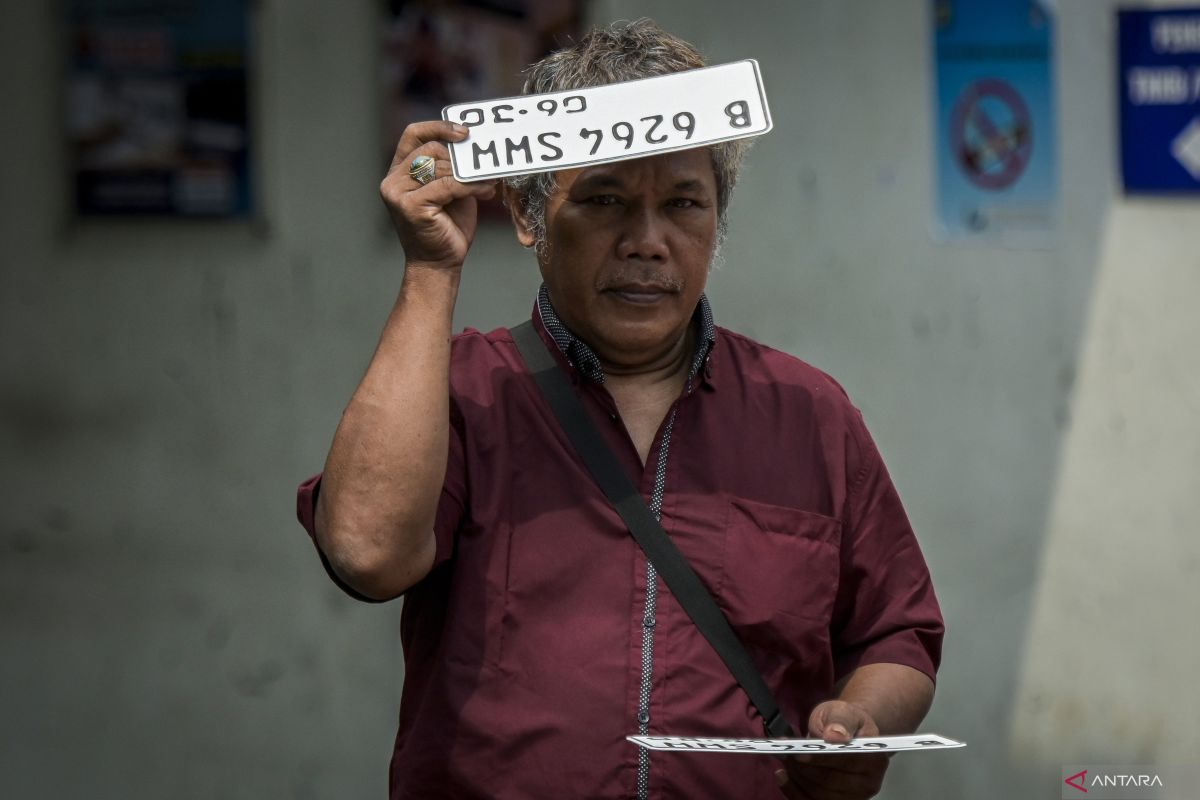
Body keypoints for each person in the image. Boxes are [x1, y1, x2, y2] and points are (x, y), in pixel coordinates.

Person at [296, 19, 944, 800]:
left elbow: (896, 632)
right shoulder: (463, 393)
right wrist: (431, 269)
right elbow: (366, 554)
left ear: (718, 220)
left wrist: (861, 722)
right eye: (605, 200)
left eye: (683, 204)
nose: (647, 241)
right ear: (530, 216)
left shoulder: (809, 414)